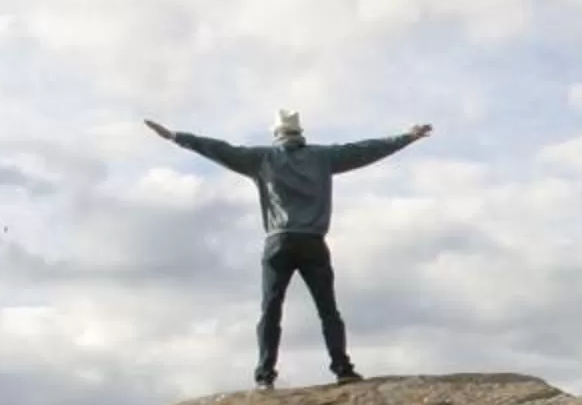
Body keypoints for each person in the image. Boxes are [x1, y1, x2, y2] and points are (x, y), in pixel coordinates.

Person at [145, 108, 433, 388]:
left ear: (276, 133)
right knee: (327, 309)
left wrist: (175, 136)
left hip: (278, 241)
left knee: (271, 309)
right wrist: (407, 137)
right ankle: (342, 368)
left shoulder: (261, 158)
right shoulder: (323, 157)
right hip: (313, 242)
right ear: (300, 133)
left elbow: (218, 148)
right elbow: (365, 150)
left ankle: (265, 375)